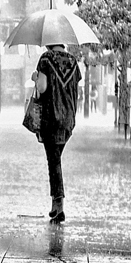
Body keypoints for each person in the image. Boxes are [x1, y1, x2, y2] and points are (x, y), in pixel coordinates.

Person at [31, 43, 81, 223]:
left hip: (51, 118)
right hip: (68, 118)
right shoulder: (73, 61)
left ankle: (59, 205)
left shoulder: (45, 59)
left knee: (54, 161)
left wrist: (35, 78)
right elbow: (75, 88)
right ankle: (55, 204)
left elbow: (42, 88)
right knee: (54, 159)